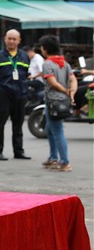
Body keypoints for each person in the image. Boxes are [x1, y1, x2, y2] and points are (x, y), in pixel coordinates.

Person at [0, 29, 31, 161]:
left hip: (20, 94)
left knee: (18, 124)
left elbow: (26, 73)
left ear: (19, 40)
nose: (11, 41)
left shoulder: (24, 56)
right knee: (0, 123)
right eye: (9, 38)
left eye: (14, 39)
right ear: (5, 39)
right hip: (4, 94)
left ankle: (19, 151)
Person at [38, 35, 77, 172]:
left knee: (57, 131)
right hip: (63, 101)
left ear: (45, 49)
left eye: (41, 47)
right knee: (50, 129)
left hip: (53, 102)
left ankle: (65, 162)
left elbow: (52, 82)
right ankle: (53, 158)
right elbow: (73, 79)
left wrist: (66, 90)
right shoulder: (64, 63)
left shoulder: (47, 64)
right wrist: (71, 92)